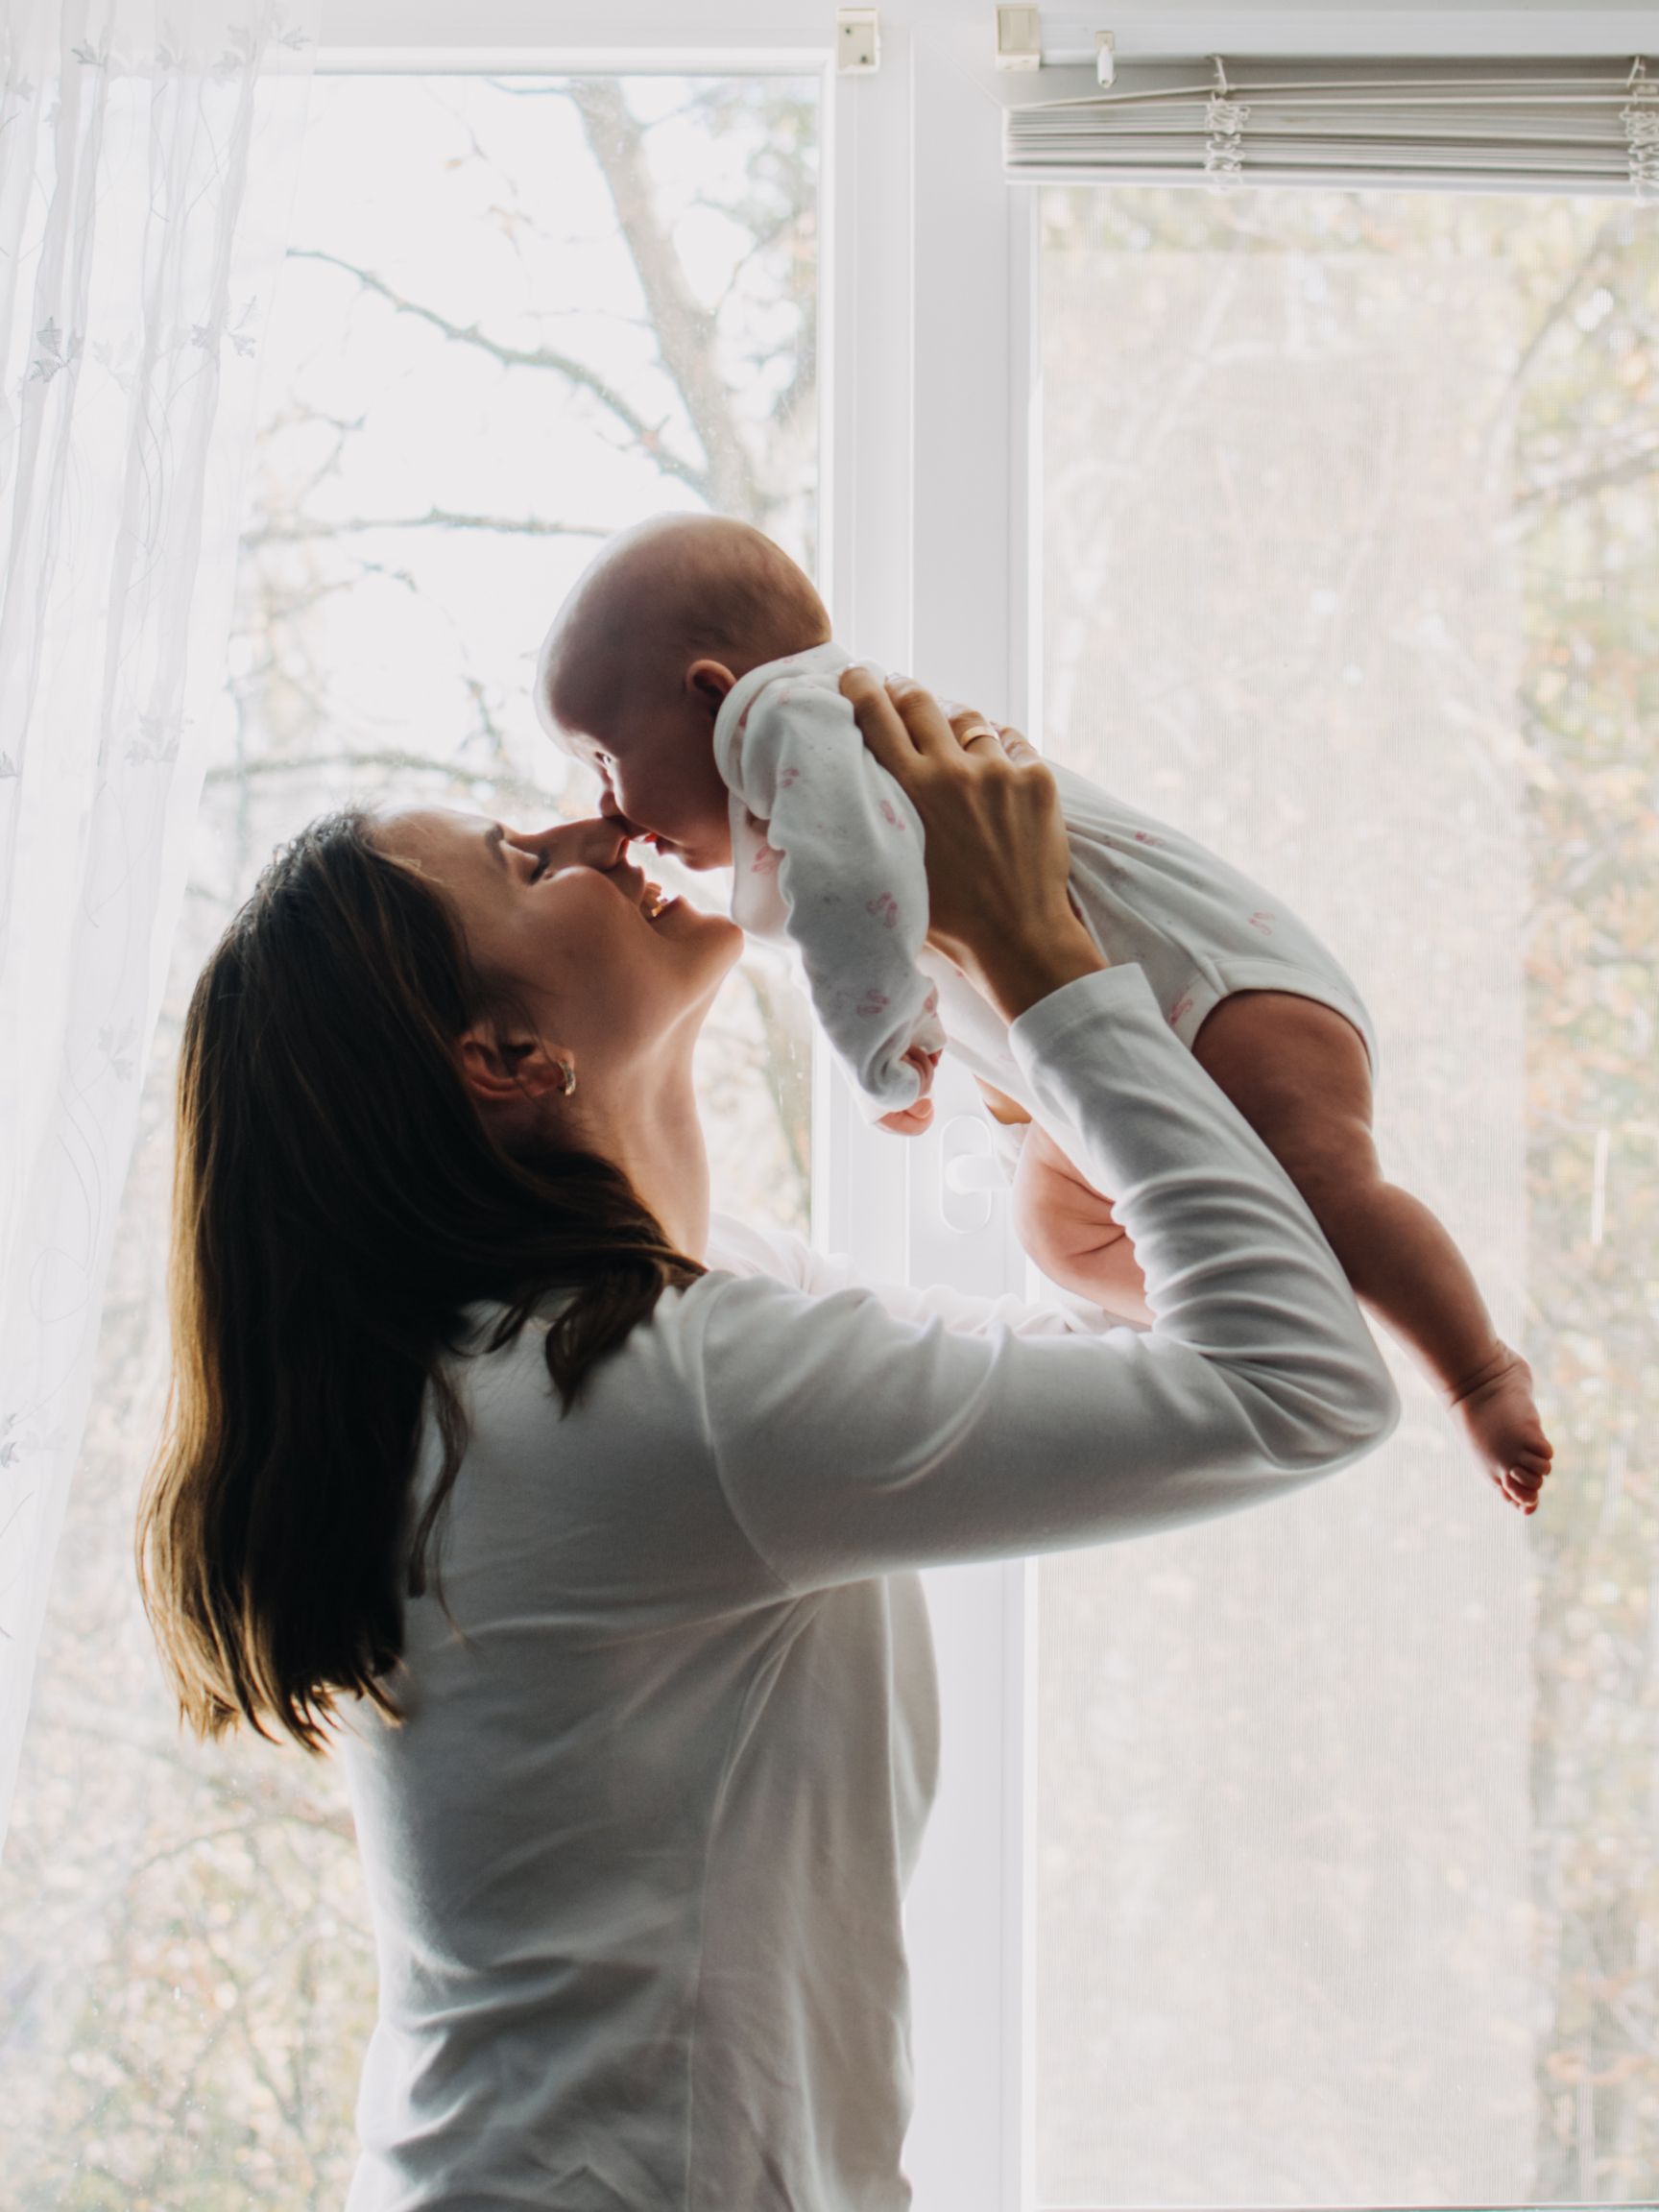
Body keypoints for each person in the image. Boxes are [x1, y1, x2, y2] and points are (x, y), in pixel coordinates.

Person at [139, 678, 1397, 2212]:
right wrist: (1035, 952)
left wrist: (1002, 1014)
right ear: (507, 1057)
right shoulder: (637, 1393)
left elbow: (1195, 1354)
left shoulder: (628, 1338)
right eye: (523, 864)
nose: (592, 827)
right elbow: (1297, 1384)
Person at [535, 514, 1551, 1515]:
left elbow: (848, 911)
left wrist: (882, 1051)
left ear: (713, 694)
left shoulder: (797, 729)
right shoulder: (797, 762)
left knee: (1330, 1180)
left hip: (1208, 985)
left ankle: (1477, 1372)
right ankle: (1290, 1299)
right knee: (1060, 1232)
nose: (605, 811)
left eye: (603, 759)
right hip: (1116, 1021)